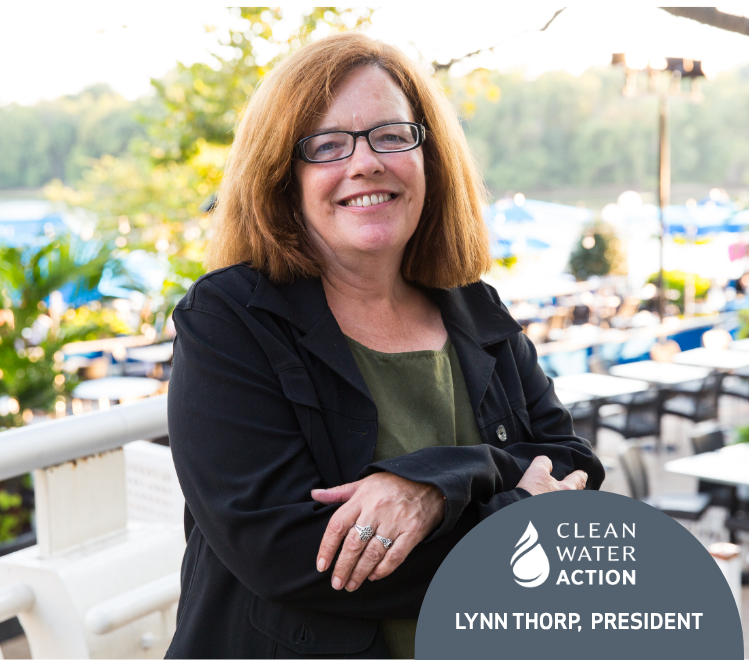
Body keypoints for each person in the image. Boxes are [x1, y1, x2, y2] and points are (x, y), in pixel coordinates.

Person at [165, 32, 603, 659]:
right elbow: (291, 556)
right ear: (283, 178)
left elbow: (573, 465)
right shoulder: (229, 319)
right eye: (326, 145)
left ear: (429, 158)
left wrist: (435, 486)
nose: (365, 163)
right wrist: (515, 520)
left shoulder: (473, 307)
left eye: (391, 136)